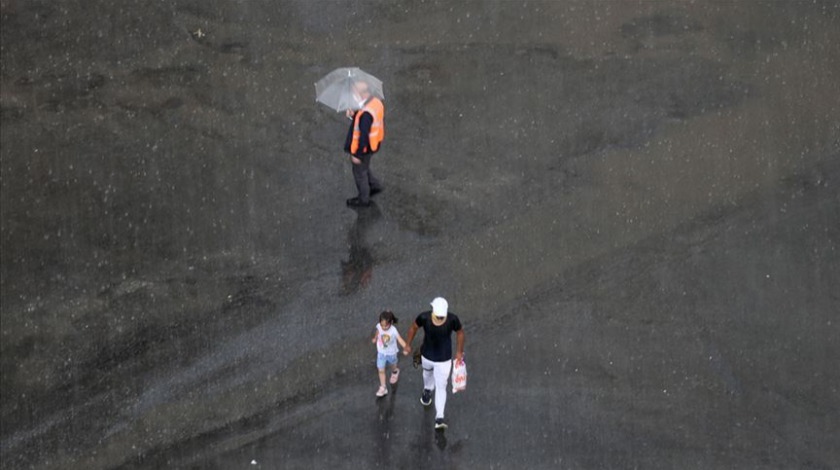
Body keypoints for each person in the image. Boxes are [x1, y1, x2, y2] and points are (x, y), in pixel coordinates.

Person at [403, 297, 465, 430]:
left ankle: (439, 416)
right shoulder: (430, 318)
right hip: (431, 357)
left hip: (440, 359)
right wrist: (407, 344)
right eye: (438, 317)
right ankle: (427, 390)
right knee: (429, 376)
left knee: (439, 385)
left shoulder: (430, 317)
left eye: (441, 317)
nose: (439, 319)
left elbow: (460, 333)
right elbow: (413, 328)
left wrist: (460, 351)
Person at [344, 80, 385, 208]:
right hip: (374, 145)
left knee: (359, 172)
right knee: (365, 167)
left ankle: (363, 199)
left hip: (363, 149)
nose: (353, 93)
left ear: (363, 93)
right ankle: (374, 185)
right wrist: (354, 114)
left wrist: (358, 155)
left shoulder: (365, 115)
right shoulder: (375, 103)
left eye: (355, 91)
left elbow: (363, 137)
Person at [372, 310, 407, 397]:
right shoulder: (379, 326)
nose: (383, 327)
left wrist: (406, 347)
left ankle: (395, 371)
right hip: (381, 353)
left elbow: (400, 339)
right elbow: (378, 331)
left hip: (391, 353)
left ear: (391, 322)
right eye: (382, 325)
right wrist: (375, 338)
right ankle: (383, 387)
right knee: (381, 369)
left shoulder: (393, 330)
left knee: (393, 366)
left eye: (386, 326)